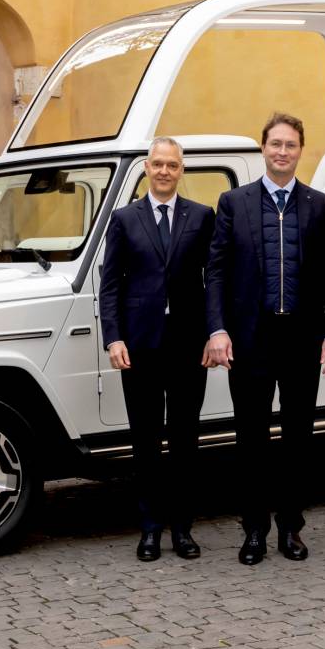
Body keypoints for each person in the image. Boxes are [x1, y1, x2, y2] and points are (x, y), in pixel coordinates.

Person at [205, 112, 325, 565]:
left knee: (298, 438)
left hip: (302, 338)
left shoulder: (317, 204)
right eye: (275, 144)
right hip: (250, 339)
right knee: (250, 439)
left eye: (290, 145)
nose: (282, 151)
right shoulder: (234, 203)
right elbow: (217, 273)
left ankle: (291, 528)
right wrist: (218, 328)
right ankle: (254, 531)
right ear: (263, 149)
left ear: (300, 151)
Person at [99, 137, 216, 562]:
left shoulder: (202, 217)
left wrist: (213, 332)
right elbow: (110, 284)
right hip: (140, 346)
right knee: (145, 441)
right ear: (146, 168)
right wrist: (114, 338)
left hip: (188, 346)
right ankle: (149, 530)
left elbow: (213, 281)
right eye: (158, 164)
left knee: (185, 440)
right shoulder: (124, 219)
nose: (165, 171)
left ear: (181, 170)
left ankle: (183, 529)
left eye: (173, 165)